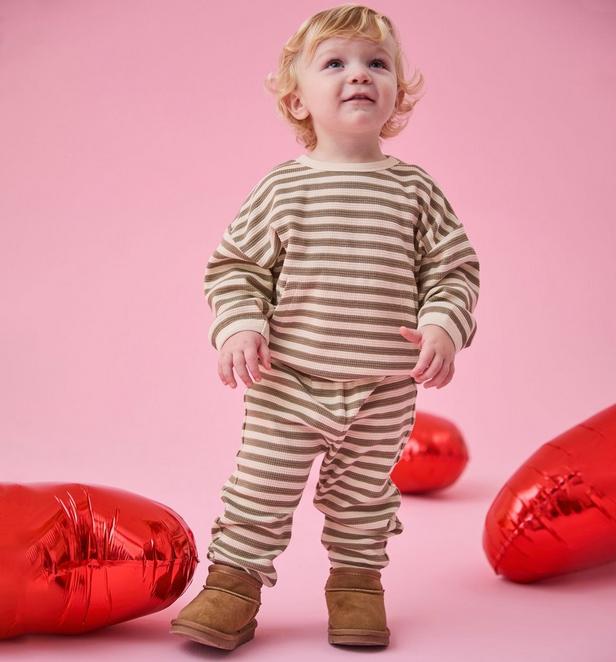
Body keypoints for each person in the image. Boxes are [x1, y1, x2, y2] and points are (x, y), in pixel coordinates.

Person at [170, 3, 480, 650]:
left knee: (365, 498)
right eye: (334, 63)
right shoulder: (284, 188)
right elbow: (235, 267)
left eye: (376, 64)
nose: (358, 74)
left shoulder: (415, 189)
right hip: (290, 380)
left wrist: (444, 326)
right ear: (297, 98)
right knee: (261, 485)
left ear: (397, 92)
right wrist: (240, 325)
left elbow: (453, 269)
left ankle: (357, 585)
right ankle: (234, 583)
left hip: (386, 388)